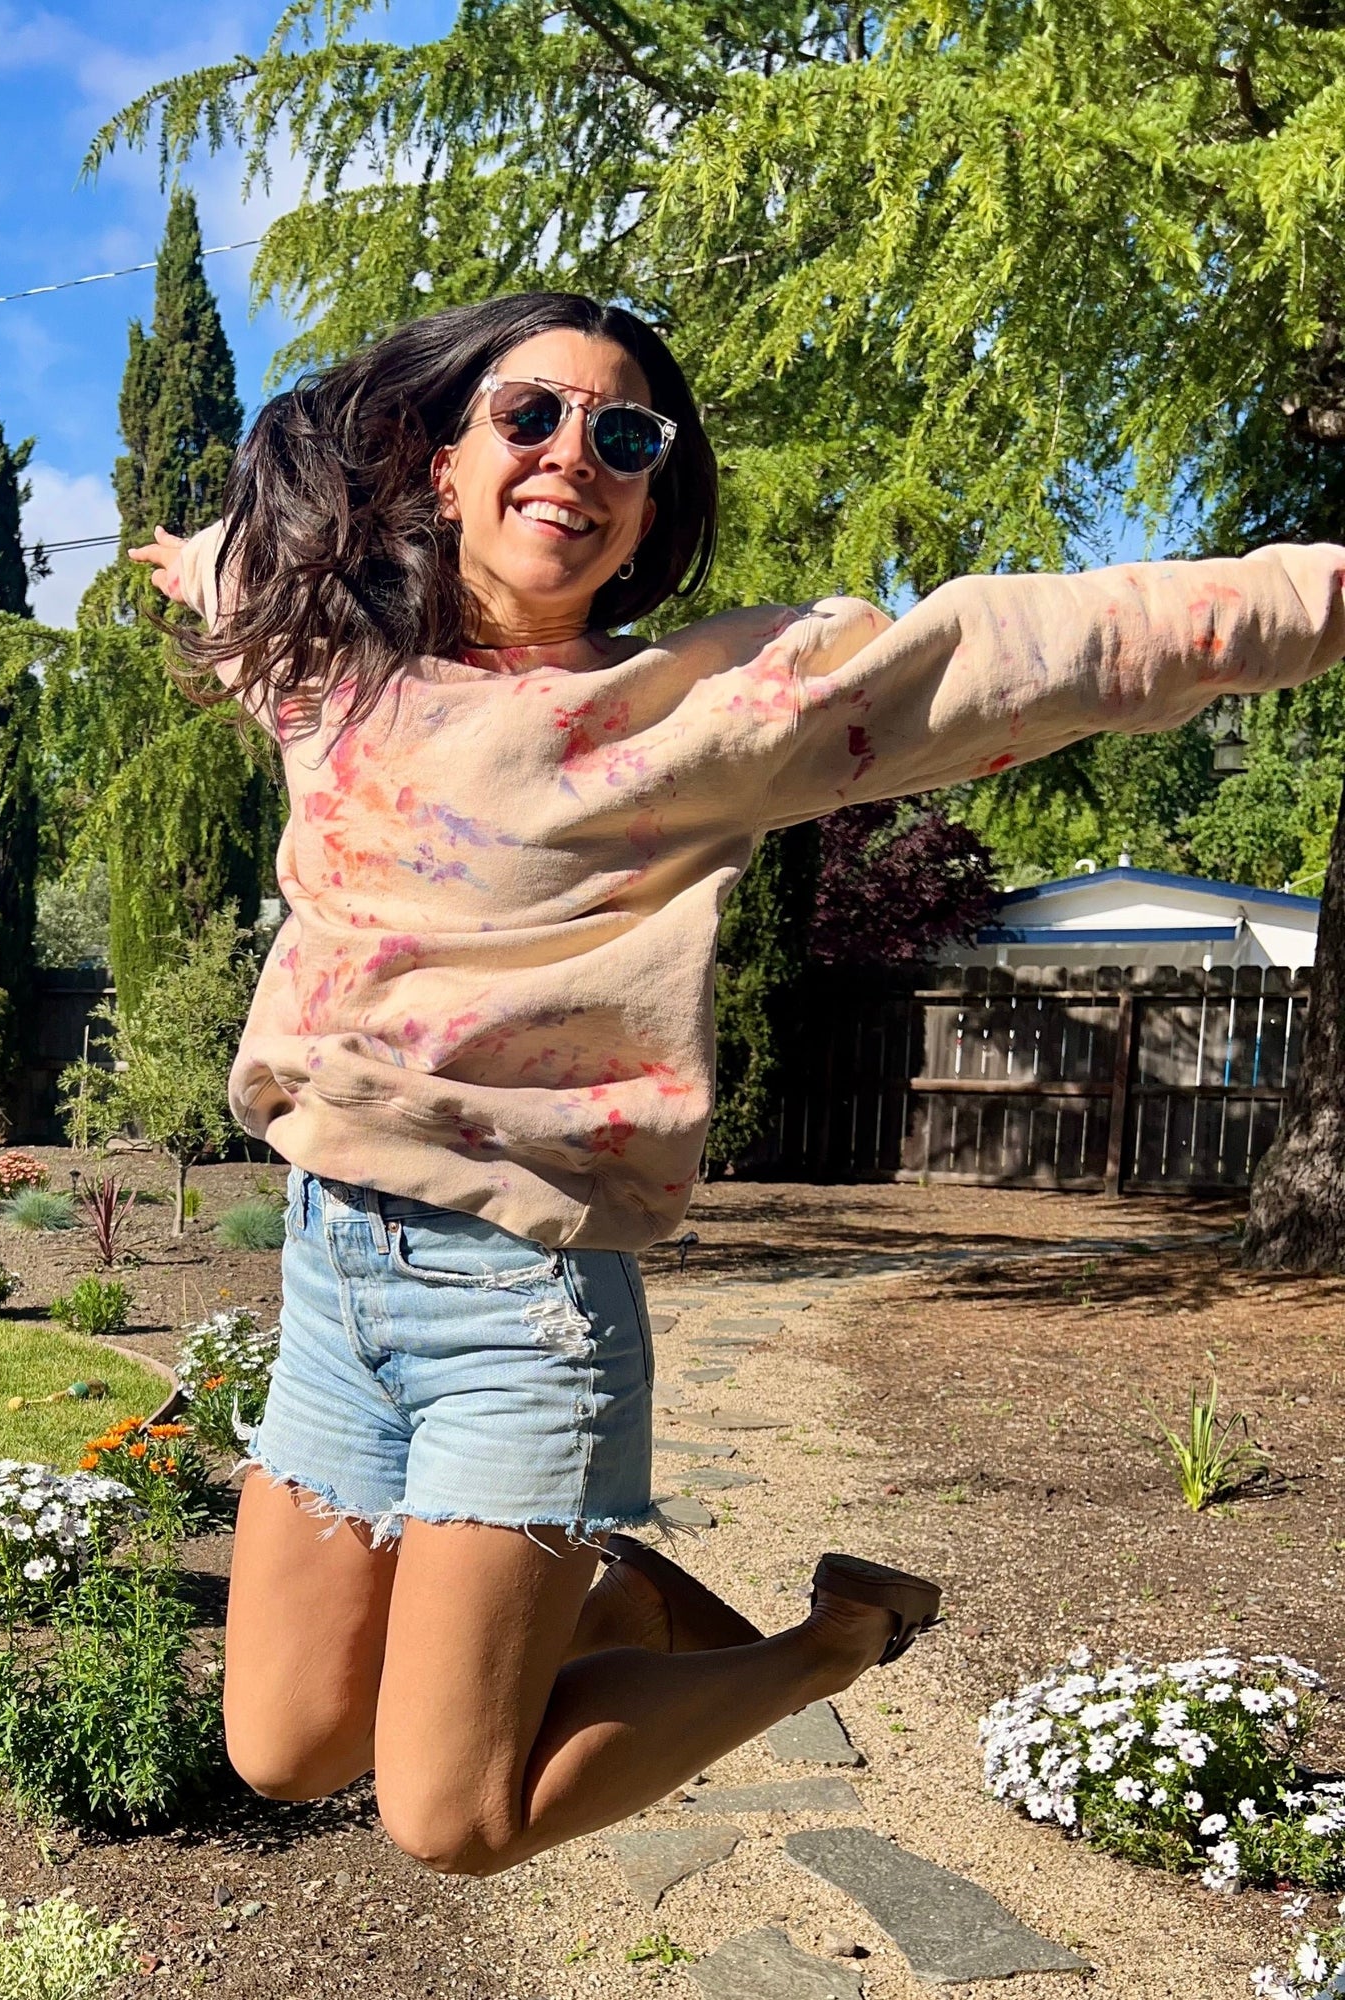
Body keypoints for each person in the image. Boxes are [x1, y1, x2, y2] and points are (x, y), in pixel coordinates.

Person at [129, 291, 1345, 1878]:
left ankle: (829, 1645)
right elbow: (244, 578)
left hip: (521, 1304)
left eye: (625, 439)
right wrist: (204, 554)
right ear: (439, 460)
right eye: (531, 416)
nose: (578, 455)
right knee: (285, 1749)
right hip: (331, 1268)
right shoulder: (327, 665)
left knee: (451, 1818)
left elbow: (1026, 647)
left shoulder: (703, 714)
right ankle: (609, 1586)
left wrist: (1316, 595)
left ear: (644, 509)